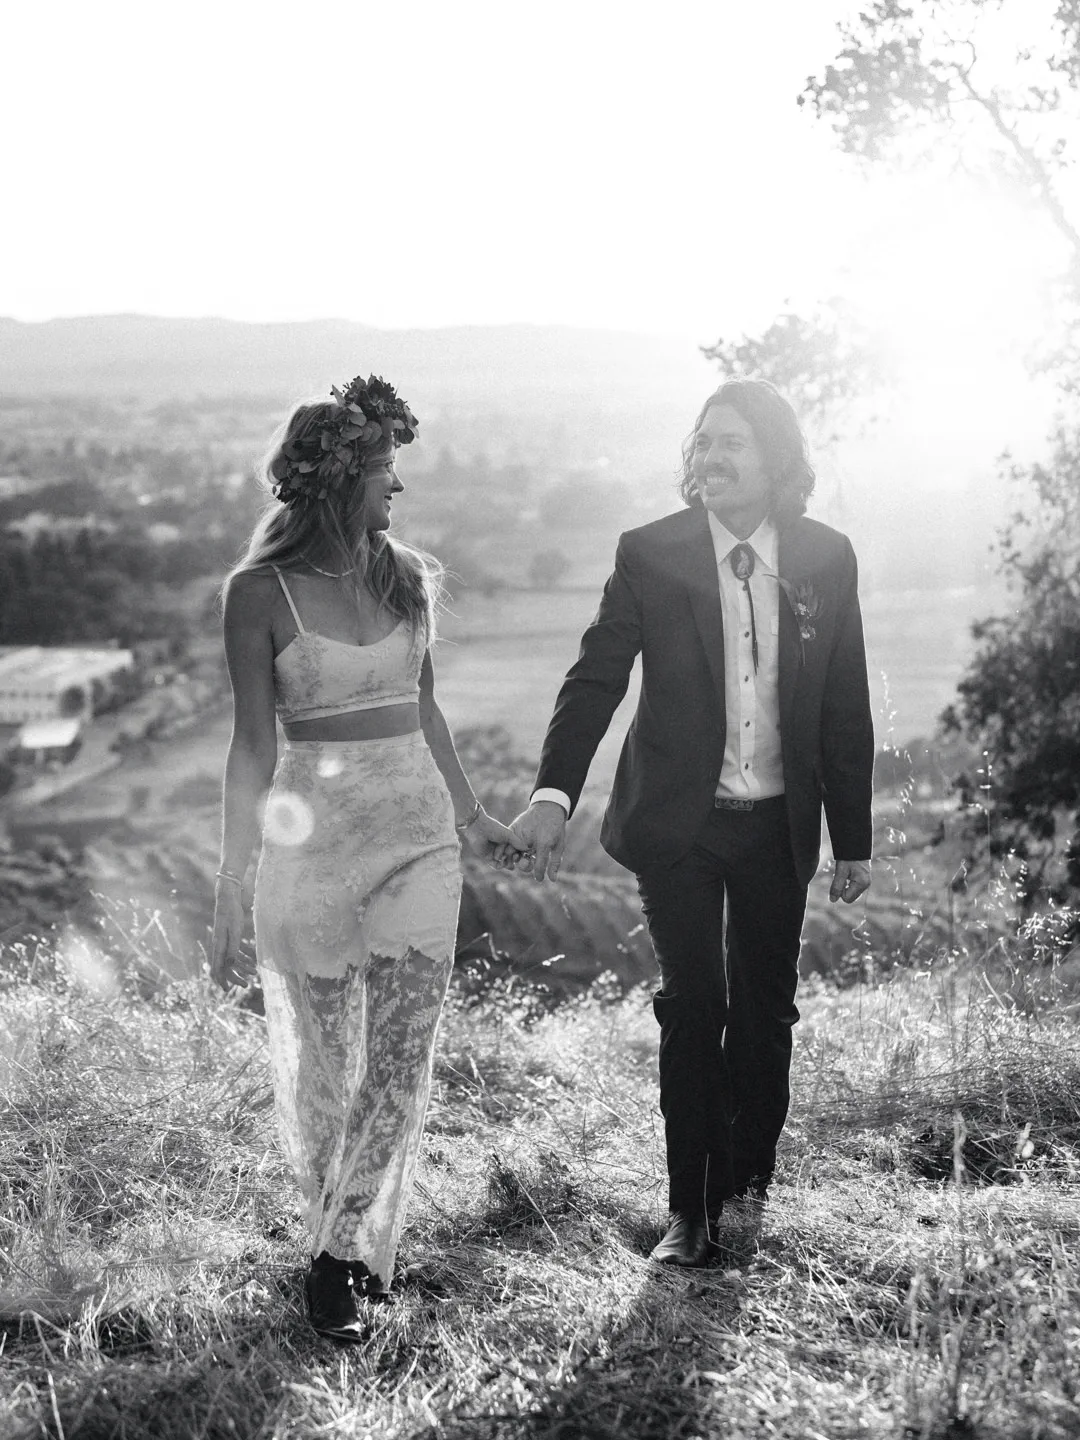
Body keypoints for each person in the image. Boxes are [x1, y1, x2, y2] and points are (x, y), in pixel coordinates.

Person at [505, 378, 874, 1266]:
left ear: (776, 459)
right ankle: (690, 1211)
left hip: (779, 824)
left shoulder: (826, 557)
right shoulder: (650, 553)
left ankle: (745, 1191)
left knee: (766, 1015)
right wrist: (553, 796)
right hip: (679, 824)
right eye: (703, 442)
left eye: (732, 442)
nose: (711, 456)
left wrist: (853, 838)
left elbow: (844, 701)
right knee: (694, 1006)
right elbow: (596, 677)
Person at [210, 374, 520, 1339]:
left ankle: (337, 1259)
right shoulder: (256, 594)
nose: (398, 485)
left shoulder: (407, 577)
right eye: (385, 467)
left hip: (418, 843)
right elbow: (251, 748)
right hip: (312, 854)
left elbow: (426, 712)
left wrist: (475, 819)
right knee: (328, 1068)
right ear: (342, 478)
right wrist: (231, 880)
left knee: (399, 1055)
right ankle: (336, 1236)